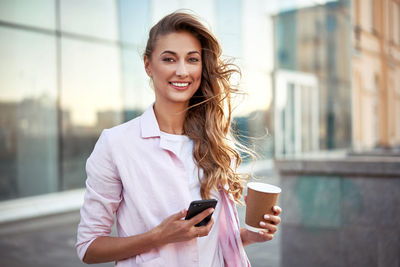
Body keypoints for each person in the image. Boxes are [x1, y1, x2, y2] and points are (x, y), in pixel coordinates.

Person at [76, 11, 282, 267]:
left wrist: (250, 234)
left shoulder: (214, 142)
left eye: (192, 59)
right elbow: (89, 248)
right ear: (148, 65)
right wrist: (158, 237)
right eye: (169, 59)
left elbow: (211, 245)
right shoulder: (116, 144)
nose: (182, 71)